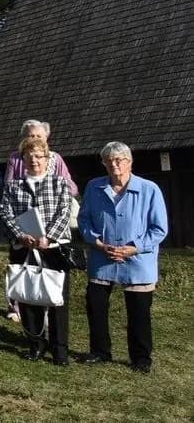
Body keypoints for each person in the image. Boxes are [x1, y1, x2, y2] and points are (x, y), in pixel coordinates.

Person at [79, 141, 168, 374]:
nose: (114, 164)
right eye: (108, 161)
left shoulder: (149, 189)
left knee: (139, 311)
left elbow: (159, 228)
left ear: (130, 162)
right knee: (96, 306)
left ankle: (141, 358)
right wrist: (96, 242)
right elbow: (84, 219)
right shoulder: (93, 187)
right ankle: (100, 351)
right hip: (102, 256)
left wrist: (135, 247)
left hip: (138, 259)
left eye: (119, 160)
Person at [0, 136, 73, 366]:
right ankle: (35, 345)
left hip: (54, 247)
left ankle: (59, 350)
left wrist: (48, 237)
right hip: (25, 247)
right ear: (23, 160)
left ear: (47, 159)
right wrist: (21, 235)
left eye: (39, 157)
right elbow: (5, 213)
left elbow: (64, 211)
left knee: (57, 300)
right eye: (29, 157)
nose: (34, 161)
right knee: (30, 298)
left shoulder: (59, 183)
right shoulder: (13, 186)